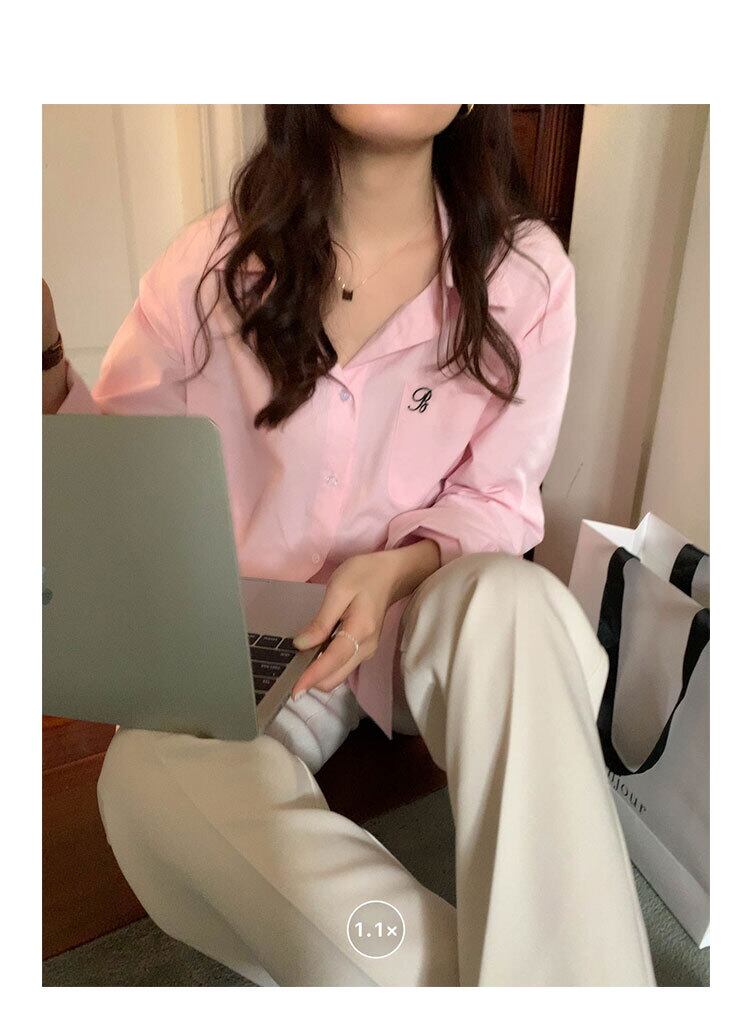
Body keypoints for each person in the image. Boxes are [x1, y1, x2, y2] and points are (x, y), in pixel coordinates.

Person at [42, 104, 656, 986]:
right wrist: (42, 359)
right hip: (259, 638)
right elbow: (118, 482)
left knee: (518, 603)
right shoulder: (207, 268)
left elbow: (498, 501)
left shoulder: (527, 277)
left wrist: (401, 566)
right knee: (143, 776)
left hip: (425, 621)